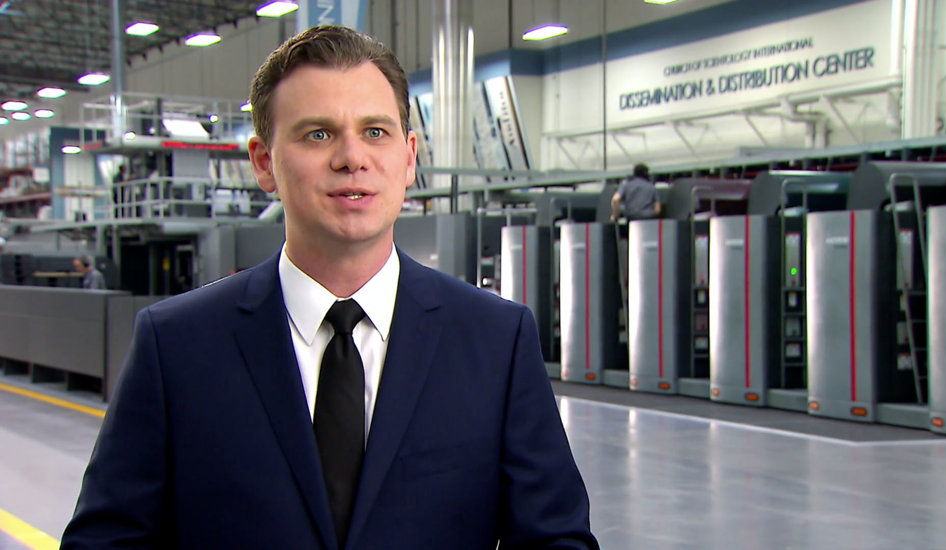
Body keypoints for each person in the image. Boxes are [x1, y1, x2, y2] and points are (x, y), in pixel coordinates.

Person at [62, 25, 598, 550]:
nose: (351, 157)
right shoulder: (176, 345)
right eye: (318, 134)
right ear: (264, 162)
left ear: (409, 157)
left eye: (375, 132)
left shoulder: (495, 340)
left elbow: (555, 539)